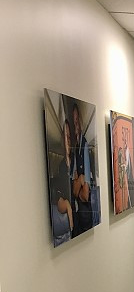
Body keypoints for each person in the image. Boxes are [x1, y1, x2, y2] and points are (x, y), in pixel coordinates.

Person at [50, 118, 74, 246]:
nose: (68, 141)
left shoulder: (76, 160)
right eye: (65, 137)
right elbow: (61, 193)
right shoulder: (61, 166)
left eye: (69, 137)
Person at [71, 102, 93, 235]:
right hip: (78, 217)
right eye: (74, 122)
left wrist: (78, 182)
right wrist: (80, 180)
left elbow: (85, 195)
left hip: (86, 216)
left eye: (77, 120)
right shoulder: (75, 149)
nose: (76, 125)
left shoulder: (84, 146)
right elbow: (74, 191)